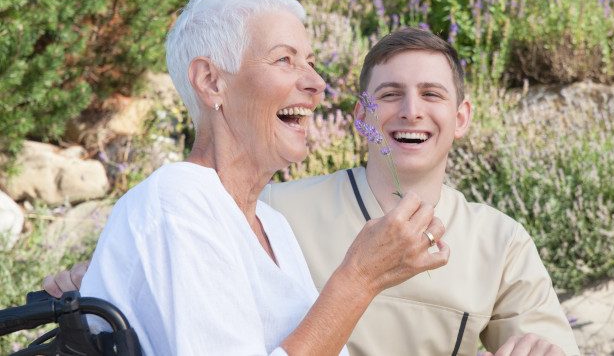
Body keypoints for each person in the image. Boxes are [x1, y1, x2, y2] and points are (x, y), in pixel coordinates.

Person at [46, 28, 580, 355]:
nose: (412, 111)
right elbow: (154, 263)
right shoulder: (273, 213)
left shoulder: (502, 243)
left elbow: (550, 347)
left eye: (432, 95)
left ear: (460, 118)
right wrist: (87, 280)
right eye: (390, 94)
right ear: (360, 116)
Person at [67, 0, 449, 356]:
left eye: (312, 64)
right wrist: (359, 279)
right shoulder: (177, 203)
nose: (318, 84)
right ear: (211, 81)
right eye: (285, 59)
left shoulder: (272, 226)